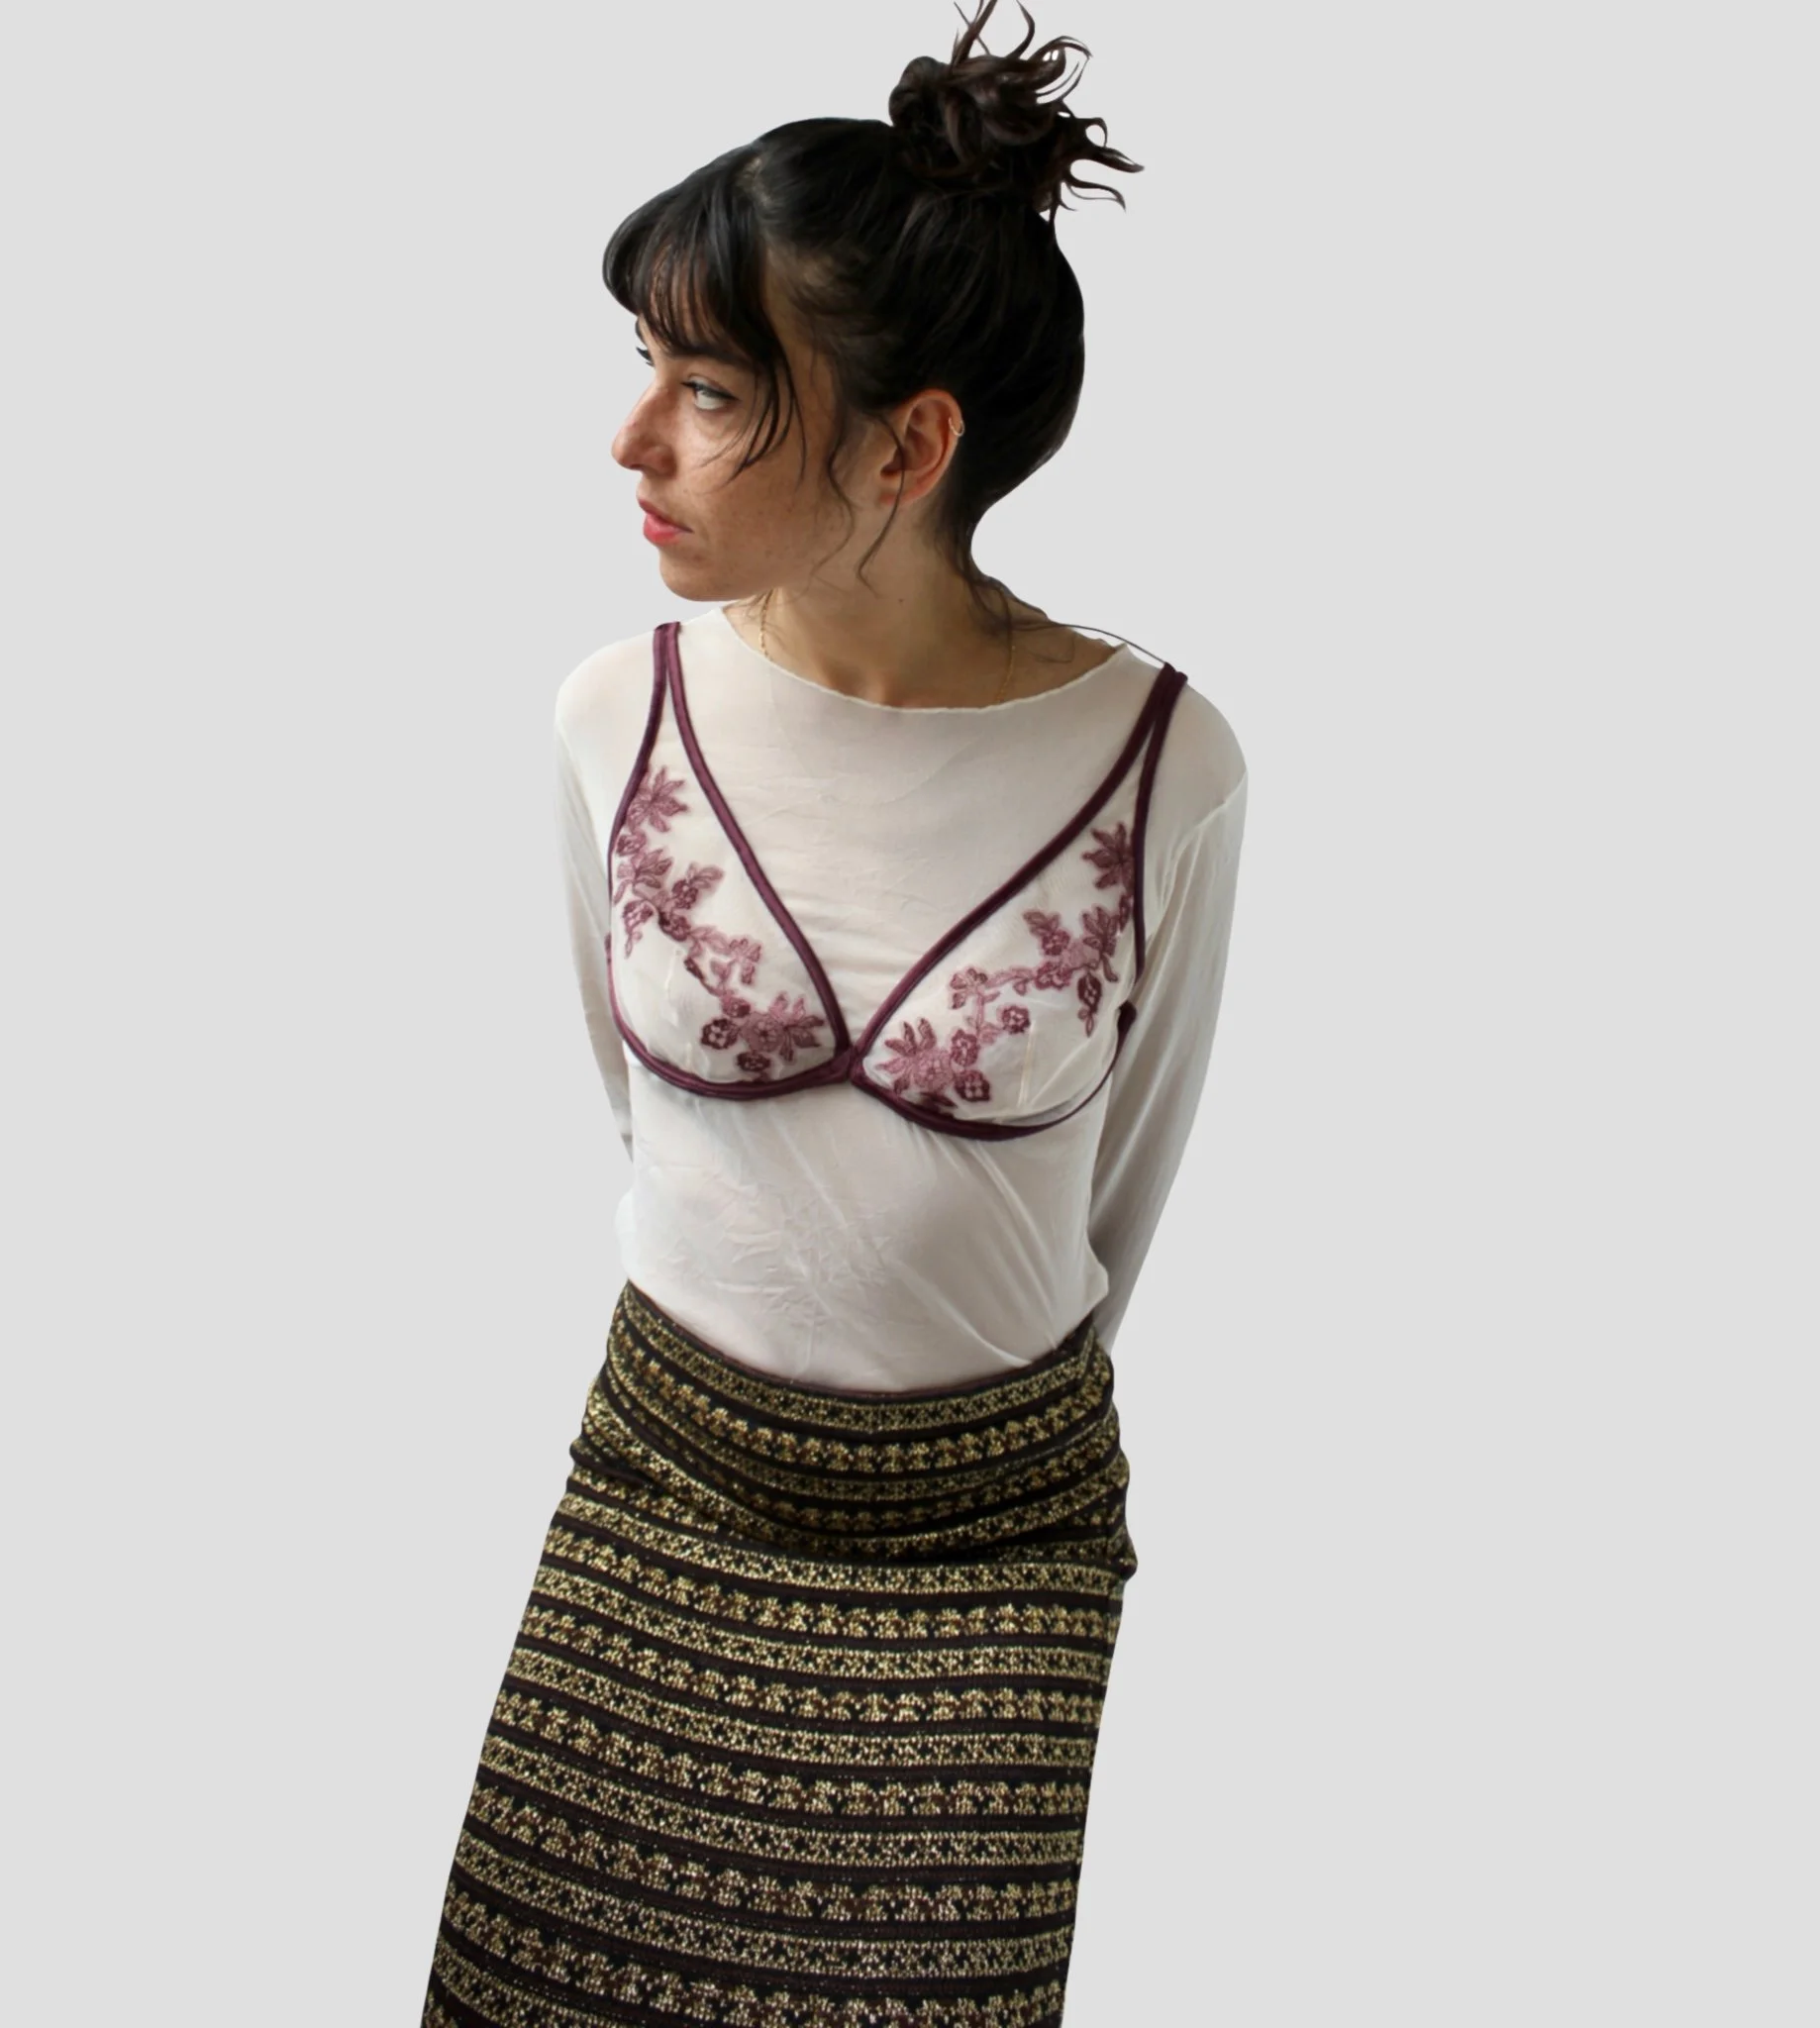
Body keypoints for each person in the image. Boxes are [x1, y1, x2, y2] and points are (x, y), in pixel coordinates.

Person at [421, 4, 1248, 2020]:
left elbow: (1127, 1179)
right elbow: (636, 1107)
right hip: (666, 1482)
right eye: (644, 369)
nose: (634, 441)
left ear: (908, 446)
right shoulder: (614, 716)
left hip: (992, 1548)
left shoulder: (1165, 763)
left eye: (708, 390)